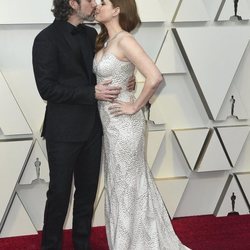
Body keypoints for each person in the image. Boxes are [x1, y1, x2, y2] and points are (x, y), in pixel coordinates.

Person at [32, 0, 134, 249]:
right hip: (63, 131)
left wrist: (128, 79)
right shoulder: (45, 39)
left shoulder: (93, 34)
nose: (94, 3)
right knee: (59, 195)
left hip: (94, 128)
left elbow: (108, 68)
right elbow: (47, 89)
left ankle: (82, 245)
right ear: (73, 3)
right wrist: (91, 93)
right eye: (89, 0)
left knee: (87, 196)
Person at [94, 0, 191, 249]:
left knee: (126, 186)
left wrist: (135, 106)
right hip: (110, 126)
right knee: (120, 185)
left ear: (117, 9)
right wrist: (130, 82)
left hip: (125, 124)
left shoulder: (125, 39)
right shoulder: (105, 41)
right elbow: (122, 72)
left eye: (103, 2)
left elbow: (155, 76)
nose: (96, 5)